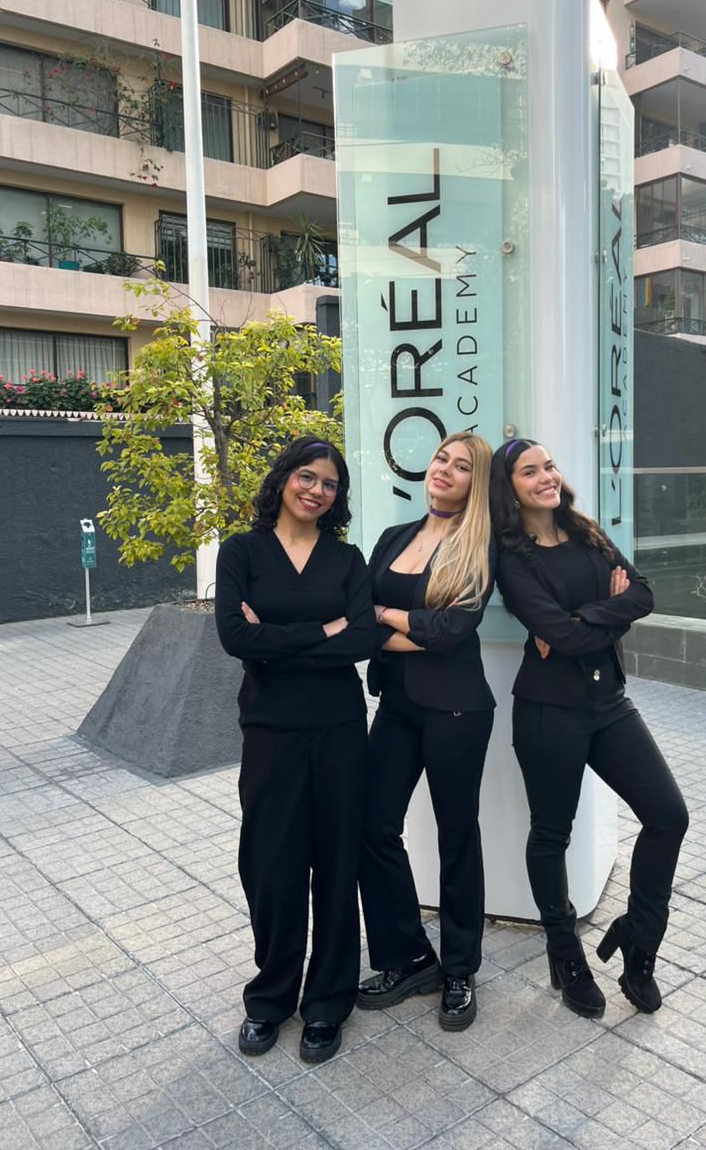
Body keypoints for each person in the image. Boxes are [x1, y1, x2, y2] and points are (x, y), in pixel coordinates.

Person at [489, 439, 688, 1019]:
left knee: (668, 816)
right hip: (548, 711)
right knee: (551, 835)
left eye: (549, 465)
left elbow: (642, 594)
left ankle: (639, 939)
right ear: (510, 488)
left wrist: (582, 619)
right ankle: (565, 954)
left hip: (608, 702)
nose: (546, 477)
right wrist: (601, 613)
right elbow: (566, 636)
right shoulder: (512, 558)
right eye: (530, 471)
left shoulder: (586, 532)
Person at [215, 436, 375, 1064]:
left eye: (330, 484)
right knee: (271, 865)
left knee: (336, 864)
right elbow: (235, 637)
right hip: (271, 730)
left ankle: (328, 1002)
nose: (317, 490)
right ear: (284, 478)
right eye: (307, 477)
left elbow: (361, 639)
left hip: (339, 730)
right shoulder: (242, 552)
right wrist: (322, 631)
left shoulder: (347, 559)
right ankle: (270, 996)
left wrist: (276, 641)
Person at [357, 433, 495, 1031]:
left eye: (461, 466)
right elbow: (361, 621)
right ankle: (410, 955)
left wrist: (386, 617)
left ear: (474, 483)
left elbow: (452, 632)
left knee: (456, 835)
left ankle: (460, 969)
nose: (444, 469)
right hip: (397, 705)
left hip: (457, 710)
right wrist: (408, 626)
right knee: (372, 825)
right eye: (442, 458)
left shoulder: (479, 546)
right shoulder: (394, 537)